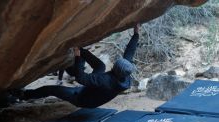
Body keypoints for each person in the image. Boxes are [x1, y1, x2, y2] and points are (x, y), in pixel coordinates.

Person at [11, 24, 140, 108]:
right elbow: (129, 53)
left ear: (116, 69)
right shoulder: (125, 74)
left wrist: (78, 57)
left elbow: (80, 78)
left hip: (82, 98)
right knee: (100, 65)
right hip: (94, 92)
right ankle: (81, 49)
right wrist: (136, 33)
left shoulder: (105, 80)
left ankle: (24, 95)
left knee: (51, 89)